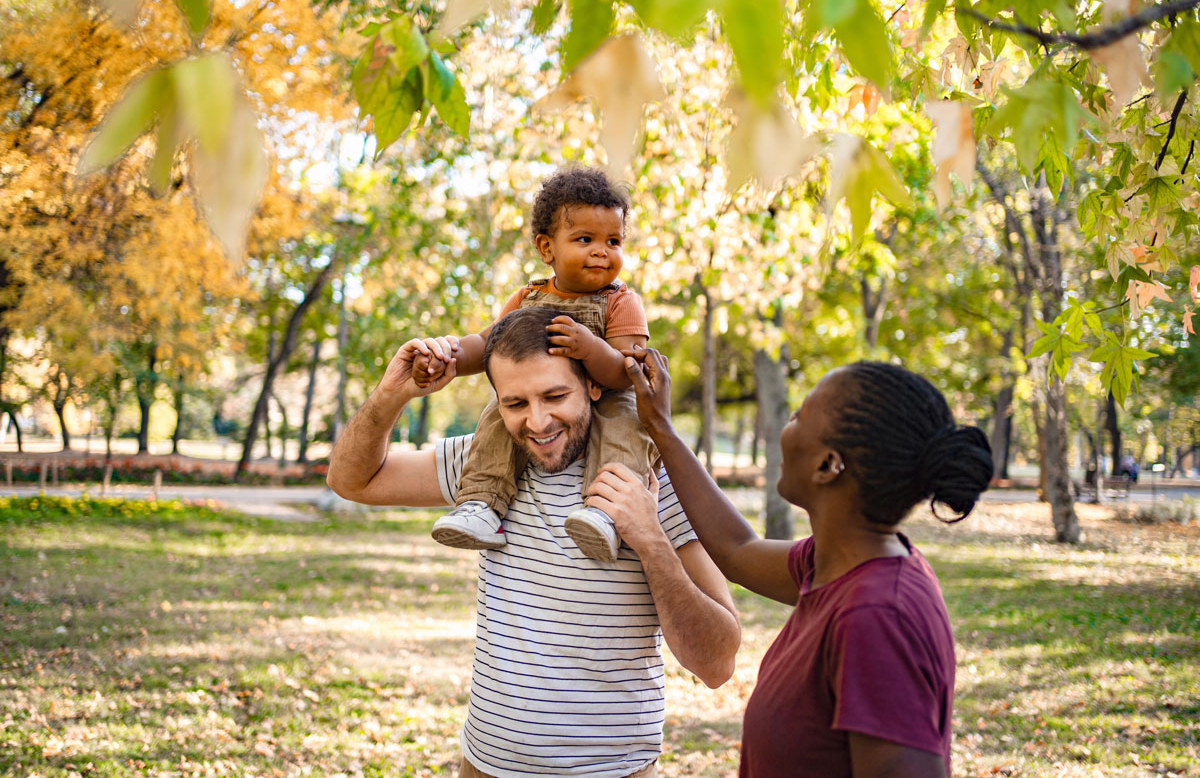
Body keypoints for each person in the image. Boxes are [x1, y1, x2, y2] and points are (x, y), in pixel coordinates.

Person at [327, 307, 740, 778]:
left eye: (554, 395)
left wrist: (649, 539)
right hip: (485, 765)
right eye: (515, 403)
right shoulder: (489, 462)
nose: (538, 422)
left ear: (593, 384)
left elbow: (718, 663)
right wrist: (390, 395)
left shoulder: (653, 475)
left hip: (613, 770)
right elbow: (352, 481)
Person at [622, 349, 993, 778]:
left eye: (798, 416)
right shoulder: (840, 563)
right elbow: (737, 550)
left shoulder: (878, 617)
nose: (785, 427)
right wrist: (660, 428)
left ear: (827, 464)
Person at [415, 166, 654, 562]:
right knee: (499, 413)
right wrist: (450, 358)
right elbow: (486, 344)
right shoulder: (526, 298)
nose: (602, 251)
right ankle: (483, 504)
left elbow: (625, 373)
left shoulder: (621, 302)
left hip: (607, 397)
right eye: (585, 239)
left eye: (614, 241)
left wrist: (590, 347)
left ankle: (607, 514)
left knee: (626, 426)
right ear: (547, 249)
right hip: (539, 398)